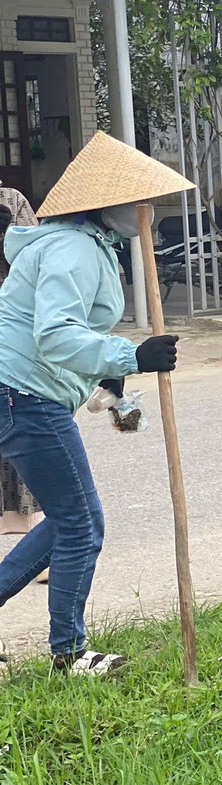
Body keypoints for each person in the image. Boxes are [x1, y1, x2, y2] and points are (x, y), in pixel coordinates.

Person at [0, 133, 189, 672]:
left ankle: (67, 647)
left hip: (23, 392)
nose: (146, 210)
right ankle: (70, 653)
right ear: (105, 204)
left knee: (68, 520)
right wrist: (133, 355)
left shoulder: (82, 243)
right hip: (24, 394)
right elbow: (55, 335)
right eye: (138, 200)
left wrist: (109, 378)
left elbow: (68, 333)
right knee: (82, 524)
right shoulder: (74, 248)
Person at [0, 188, 43, 544]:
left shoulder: (11, 201)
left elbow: (37, 262)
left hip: (10, 334)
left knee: (19, 436)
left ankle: (32, 552)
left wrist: (8, 238)